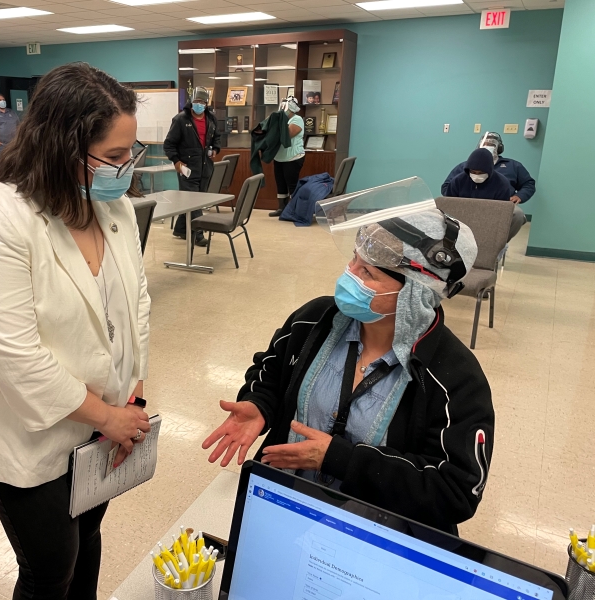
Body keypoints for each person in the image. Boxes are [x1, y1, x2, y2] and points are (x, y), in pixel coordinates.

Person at [0, 62, 152, 600]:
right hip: (26, 429)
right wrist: (109, 415)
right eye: (112, 157)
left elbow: (136, 305)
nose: (126, 168)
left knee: (88, 534)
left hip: (106, 417)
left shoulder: (113, 209)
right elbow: (16, 356)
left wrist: (131, 394)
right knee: (51, 565)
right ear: (60, 147)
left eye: (130, 153)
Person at [203, 180, 494, 534]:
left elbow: (455, 491)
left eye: (368, 272)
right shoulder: (315, 320)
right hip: (286, 505)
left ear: (417, 292)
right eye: (354, 259)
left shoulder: (455, 379)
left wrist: (340, 459)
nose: (349, 275)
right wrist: (261, 405)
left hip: (375, 537)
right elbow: (270, 373)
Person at [441, 132, 533, 239]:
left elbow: (529, 183)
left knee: (517, 215)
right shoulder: (465, 167)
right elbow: (447, 187)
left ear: (499, 147)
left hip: (500, 203)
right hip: (467, 205)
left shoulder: (513, 166)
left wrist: (520, 195)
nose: (488, 147)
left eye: (492, 144)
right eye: (485, 143)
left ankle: (498, 243)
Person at [163, 86, 220, 247]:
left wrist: (215, 149)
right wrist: (176, 161)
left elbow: (217, 137)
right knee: (194, 201)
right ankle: (197, 234)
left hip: (205, 167)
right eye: (196, 101)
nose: (199, 104)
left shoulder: (212, 119)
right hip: (187, 168)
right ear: (191, 102)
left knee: (195, 200)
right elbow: (169, 145)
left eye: (202, 102)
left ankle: (181, 229)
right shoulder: (181, 120)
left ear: (207, 103)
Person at [445, 148, 522, 238]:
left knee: (517, 214)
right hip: (461, 218)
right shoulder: (458, 181)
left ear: (489, 170)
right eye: (473, 172)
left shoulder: (502, 183)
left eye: (481, 172)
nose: (477, 175)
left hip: (490, 218)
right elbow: (449, 205)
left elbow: (502, 212)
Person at [270, 96, 305, 217]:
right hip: (279, 157)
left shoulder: (297, 119)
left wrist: (275, 126)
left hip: (293, 157)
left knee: (292, 184)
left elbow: (287, 135)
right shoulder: (279, 120)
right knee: (280, 183)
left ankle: (294, 210)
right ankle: (282, 208)